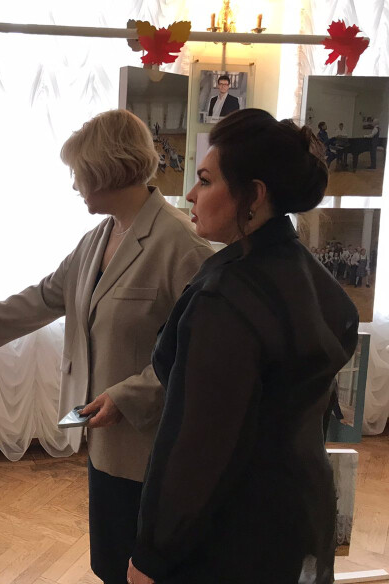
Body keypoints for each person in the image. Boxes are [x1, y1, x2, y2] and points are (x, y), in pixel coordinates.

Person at [0, 109, 213, 583]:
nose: (75, 184)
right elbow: (47, 295)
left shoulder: (182, 245)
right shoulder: (98, 237)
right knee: (109, 562)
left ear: (105, 170)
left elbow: (196, 355)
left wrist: (127, 397)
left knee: (144, 569)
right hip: (101, 436)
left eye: (78, 172)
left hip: (150, 444)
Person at [127, 109, 359, 584]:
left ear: (254, 195)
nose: (190, 195)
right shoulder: (315, 280)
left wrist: (152, 554)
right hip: (302, 514)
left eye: (206, 181)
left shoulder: (227, 299)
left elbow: (198, 446)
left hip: (232, 533)